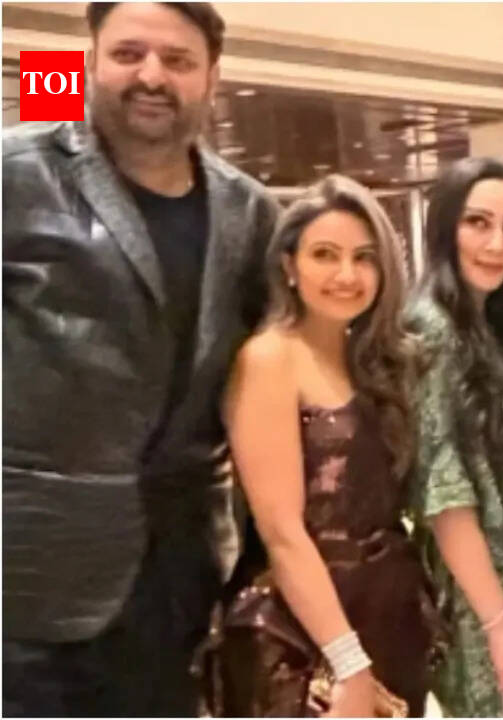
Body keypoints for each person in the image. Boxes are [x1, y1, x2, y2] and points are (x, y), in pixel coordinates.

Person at [2, 3, 280, 714]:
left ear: (212, 77)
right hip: (29, 581)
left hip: (183, 581)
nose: (151, 75)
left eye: (177, 60)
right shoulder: (17, 173)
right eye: (129, 54)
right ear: (90, 59)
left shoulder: (251, 212)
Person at [196, 175, 445, 717]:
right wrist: (348, 661)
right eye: (325, 255)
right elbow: (282, 533)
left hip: (387, 615)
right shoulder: (269, 358)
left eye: (364, 257)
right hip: (299, 634)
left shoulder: (372, 359)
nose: (346, 275)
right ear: (289, 265)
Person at [406, 157, 503, 717]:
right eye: (478, 223)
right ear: (445, 227)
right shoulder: (432, 328)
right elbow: (442, 492)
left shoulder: (492, 322)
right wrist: (499, 624)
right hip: (481, 591)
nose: (497, 244)